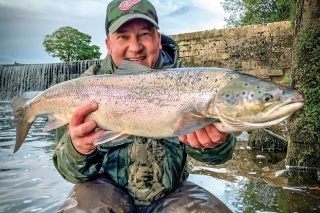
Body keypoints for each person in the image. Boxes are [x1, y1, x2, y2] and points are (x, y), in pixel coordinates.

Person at [53, 0, 236, 212]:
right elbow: (70, 173)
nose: (135, 47)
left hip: (172, 194)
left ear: (158, 39)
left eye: (144, 34)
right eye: (123, 36)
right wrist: (78, 150)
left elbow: (220, 157)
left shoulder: (192, 83)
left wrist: (212, 145)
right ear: (108, 45)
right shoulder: (79, 90)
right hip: (102, 191)